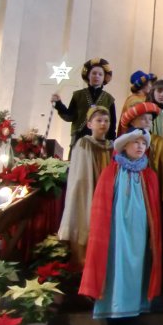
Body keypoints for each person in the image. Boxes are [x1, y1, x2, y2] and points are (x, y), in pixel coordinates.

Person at [79, 128, 162, 325]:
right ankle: (113, 324)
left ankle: (131, 321)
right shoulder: (112, 172)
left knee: (136, 272)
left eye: (143, 143)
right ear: (124, 146)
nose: (140, 146)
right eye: (135, 142)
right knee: (114, 271)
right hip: (115, 233)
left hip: (139, 233)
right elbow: (101, 205)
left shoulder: (149, 175)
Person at [57, 107, 113, 266]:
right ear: (89, 124)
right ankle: (84, 263)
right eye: (99, 121)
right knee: (85, 218)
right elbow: (81, 174)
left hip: (107, 192)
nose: (103, 124)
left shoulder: (113, 146)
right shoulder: (83, 143)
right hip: (89, 190)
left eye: (106, 121)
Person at [52, 58, 116, 150]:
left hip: (101, 141)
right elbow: (70, 116)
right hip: (79, 139)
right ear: (88, 75)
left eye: (100, 74)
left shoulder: (109, 99)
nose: (97, 76)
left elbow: (112, 124)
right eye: (94, 73)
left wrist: (111, 143)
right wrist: (58, 104)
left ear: (104, 78)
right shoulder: (78, 95)